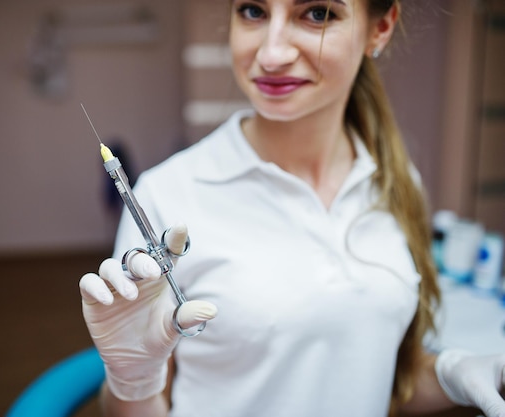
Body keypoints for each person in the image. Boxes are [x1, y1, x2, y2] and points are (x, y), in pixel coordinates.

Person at [79, 1, 505, 416]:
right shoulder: (167, 195)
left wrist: (450, 375)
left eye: (317, 13)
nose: (271, 53)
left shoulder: (394, 179)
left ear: (380, 28)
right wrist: (133, 379)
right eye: (253, 11)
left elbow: (384, 383)